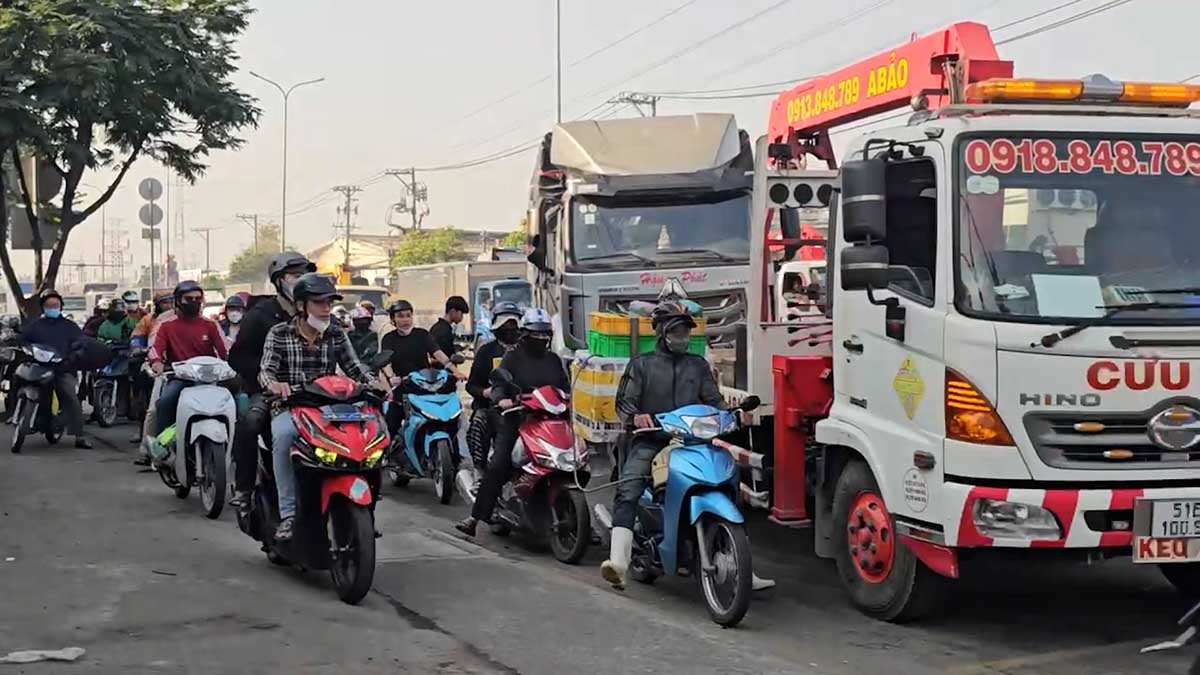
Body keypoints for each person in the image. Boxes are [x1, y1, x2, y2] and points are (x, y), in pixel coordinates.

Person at [598, 300, 773, 592]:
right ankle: (618, 562)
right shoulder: (641, 365)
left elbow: (714, 400)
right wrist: (635, 417)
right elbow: (624, 403)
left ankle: (744, 568)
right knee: (628, 488)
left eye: (686, 331)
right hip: (652, 439)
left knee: (730, 483)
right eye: (677, 331)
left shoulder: (698, 365)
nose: (683, 337)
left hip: (694, 440)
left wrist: (733, 414)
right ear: (663, 333)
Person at [258, 273, 372, 541]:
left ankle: (365, 507)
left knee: (366, 436)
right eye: (319, 302)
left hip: (329, 408)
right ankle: (287, 515)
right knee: (284, 436)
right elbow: (266, 371)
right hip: (291, 406)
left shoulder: (335, 333)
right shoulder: (279, 333)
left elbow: (354, 367)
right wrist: (274, 385)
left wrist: (372, 381)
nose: (325, 309)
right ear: (301, 306)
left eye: (329, 303)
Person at [455, 307, 569, 537]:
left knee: (571, 461)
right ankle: (475, 517)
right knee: (499, 464)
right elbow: (497, 385)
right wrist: (502, 399)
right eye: (535, 335)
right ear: (525, 335)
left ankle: (579, 521)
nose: (541, 339)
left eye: (545, 334)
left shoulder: (554, 360)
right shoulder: (512, 358)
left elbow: (564, 388)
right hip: (517, 420)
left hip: (549, 421)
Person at [227, 253, 315, 510]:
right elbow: (238, 358)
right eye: (296, 276)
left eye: (306, 275)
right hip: (268, 391)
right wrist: (270, 379)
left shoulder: (317, 314)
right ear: (279, 282)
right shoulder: (259, 316)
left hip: (314, 392)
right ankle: (244, 487)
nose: (302, 282)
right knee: (250, 424)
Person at [150, 281, 228, 436]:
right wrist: (156, 362)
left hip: (210, 378)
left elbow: (225, 351)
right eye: (189, 299)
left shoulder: (211, 325)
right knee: (164, 403)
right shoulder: (166, 325)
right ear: (178, 301)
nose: (194, 302)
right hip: (180, 377)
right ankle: (163, 446)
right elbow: (155, 349)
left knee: (237, 399)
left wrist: (232, 364)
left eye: (198, 299)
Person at [379, 300, 466, 433]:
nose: (405, 320)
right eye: (401, 316)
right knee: (391, 422)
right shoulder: (388, 338)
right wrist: (392, 377)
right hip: (403, 386)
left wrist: (454, 370)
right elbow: (386, 362)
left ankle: (453, 452)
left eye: (408, 315)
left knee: (449, 418)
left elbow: (438, 353)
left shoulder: (422, 334)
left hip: (425, 386)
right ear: (393, 319)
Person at [20, 289, 91, 448]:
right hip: (39, 366)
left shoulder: (69, 326)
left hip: (63, 368)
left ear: (61, 307)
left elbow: (81, 341)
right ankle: (22, 415)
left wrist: (74, 354)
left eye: (56, 305)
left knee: (72, 399)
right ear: (43, 307)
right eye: (49, 305)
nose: (52, 307)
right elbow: (23, 339)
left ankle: (79, 436)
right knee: (20, 377)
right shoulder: (35, 325)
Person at [464, 301, 523, 490]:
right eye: (505, 326)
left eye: (514, 326)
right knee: (479, 422)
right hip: (492, 407)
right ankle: (480, 471)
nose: (510, 331)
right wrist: (486, 393)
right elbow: (471, 385)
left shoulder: (527, 352)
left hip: (524, 406)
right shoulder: (486, 352)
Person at [429, 295, 469, 359]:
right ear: (452, 311)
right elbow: (445, 356)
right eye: (461, 313)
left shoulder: (437, 327)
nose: (462, 317)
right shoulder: (443, 331)